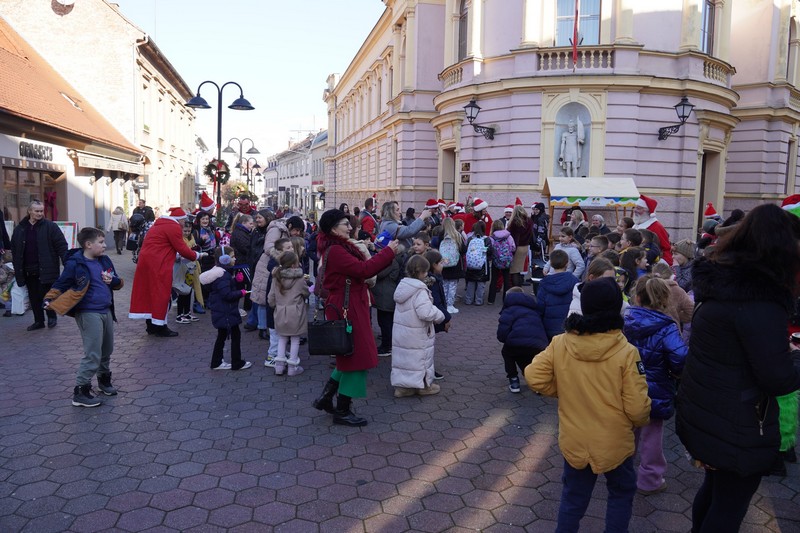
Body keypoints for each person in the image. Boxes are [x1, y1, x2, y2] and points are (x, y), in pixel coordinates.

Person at [676, 203, 800, 532]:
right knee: (729, 506)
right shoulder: (759, 300)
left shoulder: (722, 282)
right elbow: (778, 378)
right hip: (737, 423)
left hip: (709, 411)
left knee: (716, 492)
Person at [525, 277, 651, 533]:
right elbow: (638, 409)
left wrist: (563, 391)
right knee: (621, 492)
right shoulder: (627, 352)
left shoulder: (561, 342)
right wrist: (640, 420)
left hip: (575, 440)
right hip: (615, 441)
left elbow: (534, 376)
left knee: (573, 497)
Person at [312, 208, 398, 427]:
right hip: (347, 306)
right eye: (345, 224)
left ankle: (326, 398)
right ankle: (342, 410)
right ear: (333, 229)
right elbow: (364, 270)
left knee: (349, 355)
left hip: (349, 304)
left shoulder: (337, 247)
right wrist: (388, 252)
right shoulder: (337, 250)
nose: (350, 227)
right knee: (357, 358)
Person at [43, 227, 123, 407]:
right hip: (88, 312)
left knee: (107, 349)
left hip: (106, 310)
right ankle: (81, 391)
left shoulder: (104, 260)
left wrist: (113, 281)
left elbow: (117, 281)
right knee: (93, 352)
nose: (104, 245)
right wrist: (49, 298)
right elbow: (62, 283)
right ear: (88, 244)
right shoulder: (75, 263)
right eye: (101, 242)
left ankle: (104, 380)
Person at [623, 275, 687, 495]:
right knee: (652, 436)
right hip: (656, 390)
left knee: (627, 431)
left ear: (637, 298)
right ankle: (650, 480)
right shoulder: (667, 327)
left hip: (627, 387)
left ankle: (622, 471)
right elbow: (680, 357)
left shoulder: (625, 320)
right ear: (664, 300)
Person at [129, 207, 206, 337]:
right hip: (159, 265)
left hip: (147, 263)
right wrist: (197, 255)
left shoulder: (158, 225)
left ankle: (151, 326)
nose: (184, 223)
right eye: (184, 220)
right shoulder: (173, 227)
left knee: (150, 294)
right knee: (162, 295)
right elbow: (181, 248)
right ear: (179, 219)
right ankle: (160, 327)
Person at [391, 255, 445, 398]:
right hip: (417, 333)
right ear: (421, 272)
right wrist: (439, 315)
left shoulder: (403, 287)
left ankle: (403, 387)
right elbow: (425, 312)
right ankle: (423, 386)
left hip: (402, 332)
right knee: (420, 359)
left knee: (404, 359)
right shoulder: (420, 290)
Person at [11, 199, 68, 331]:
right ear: (29, 211)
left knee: (48, 295)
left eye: (41, 211)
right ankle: (39, 321)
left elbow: (61, 246)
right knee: (34, 297)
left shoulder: (50, 227)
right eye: (37, 211)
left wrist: (67, 263)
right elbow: (15, 249)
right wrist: (17, 267)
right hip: (28, 269)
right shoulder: (20, 228)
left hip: (47, 268)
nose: (40, 213)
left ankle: (51, 317)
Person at [198, 245, 252, 371]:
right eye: (232, 257)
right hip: (226, 312)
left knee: (222, 336)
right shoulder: (223, 275)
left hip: (224, 312)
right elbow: (227, 295)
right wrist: (241, 293)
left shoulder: (222, 273)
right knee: (234, 336)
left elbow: (225, 289)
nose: (235, 259)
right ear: (224, 259)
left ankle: (216, 362)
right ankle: (236, 362)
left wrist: (236, 281)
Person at [497, 286, 548, 393]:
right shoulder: (533, 309)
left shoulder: (509, 310)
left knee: (507, 353)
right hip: (538, 343)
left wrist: (504, 339)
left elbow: (503, 330)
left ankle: (514, 380)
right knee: (529, 359)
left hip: (516, 342)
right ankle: (536, 383)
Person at [268, 250, 309, 376]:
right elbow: (306, 292)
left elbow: (271, 297)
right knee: (295, 339)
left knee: (282, 338)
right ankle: (292, 367)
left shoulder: (276, 278)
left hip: (280, 311)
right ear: (293, 264)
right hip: (296, 312)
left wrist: (275, 306)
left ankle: (279, 367)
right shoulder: (299, 278)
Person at [536, 249, 579, 340]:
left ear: (551, 264)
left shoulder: (545, 283)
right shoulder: (574, 281)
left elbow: (540, 306)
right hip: (569, 326)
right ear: (567, 263)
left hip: (549, 326)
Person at [424, 249, 451, 380]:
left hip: (433, 317)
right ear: (434, 265)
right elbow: (436, 303)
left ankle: (429, 370)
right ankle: (427, 372)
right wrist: (447, 318)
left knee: (428, 346)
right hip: (430, 319)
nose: (442, 265)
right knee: (427, 347)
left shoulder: (435, 279)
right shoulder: (432, 282)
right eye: (440, 263)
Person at [174, 221, 203, 324]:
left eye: (189, 231)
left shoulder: (191, 237)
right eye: (185, 231)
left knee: (189, 290)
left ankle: (187, 312)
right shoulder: (178, 239)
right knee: (182, 291)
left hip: (191, 267)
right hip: (182, 268)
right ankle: (179, 315)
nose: (187, 233)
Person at [633, 195, 672, 265]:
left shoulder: (656, 227)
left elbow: (666, 248)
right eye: (634, 207)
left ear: (647, 211)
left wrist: (661, 264)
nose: (634, 210)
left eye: (638, 208)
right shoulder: (636, 224)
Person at [439, 217, 466, 314]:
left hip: (443, 263)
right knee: (452, 285)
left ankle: (444, 304)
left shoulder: (441, 235)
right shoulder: (457, 235)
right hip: (455, 264)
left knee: (444, 284)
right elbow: (463, 250)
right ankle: (450, 305)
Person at [464, 220, 492, 306]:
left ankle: (468, 300)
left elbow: (466, 250)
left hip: (470, 264)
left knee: (470, 282)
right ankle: (478, 301)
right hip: (482, 265)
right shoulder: (486, 239)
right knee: (481, 283)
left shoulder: (470, 239)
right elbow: (490, 251)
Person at [487, 219, 516, 305]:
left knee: (494, 279)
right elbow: (513, 247)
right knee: (506, 279)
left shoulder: (492, 237)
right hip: (506, 260)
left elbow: (490, 249)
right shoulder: (508, 236)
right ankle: (506, 299)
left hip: (496, 260)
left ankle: (491, 299)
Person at [507, 205, 533, 287]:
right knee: (518, 270)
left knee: (514, 271)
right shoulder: (529, 221)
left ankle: (515, 288)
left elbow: (516, 238)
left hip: (517, 248)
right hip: (525, 247)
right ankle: (518, 288)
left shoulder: (515, 222)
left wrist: (512, 251)